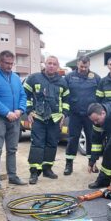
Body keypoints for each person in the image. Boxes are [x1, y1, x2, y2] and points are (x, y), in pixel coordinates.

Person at [0, 50, 28, 189]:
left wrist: (20, 110)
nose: (9, 66)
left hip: (15, 118)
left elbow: (23, 95)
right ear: (0, 61)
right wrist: (6, 112)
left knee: (12, 149)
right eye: (7, 63)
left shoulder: (15, 77)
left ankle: (12, 176)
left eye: (11, 63)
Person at [24, 56, 69, 184]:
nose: (51, 66)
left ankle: (47, 169)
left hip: (54, 120)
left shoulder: (62, 82)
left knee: (52, 144)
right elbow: (24, 95)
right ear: (45, 64)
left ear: (58, 66)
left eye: (54, 64)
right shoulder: (34, 78)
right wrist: (29, 111)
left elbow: (66, 101)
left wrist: (64, 115)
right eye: (49, 63)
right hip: (38, 118)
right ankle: (34, 172)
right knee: (37, 144)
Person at [63, 55, 100, 176]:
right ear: (77, 64)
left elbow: (100, 95)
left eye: (86, 66)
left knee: (91, 139)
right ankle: (69, 164)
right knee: (73, 138)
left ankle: (92, 163)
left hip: (91, 115)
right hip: (75, 114)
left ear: (89, 64)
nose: (83, 69)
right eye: (81, 66)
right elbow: (64, 95)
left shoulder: (95, 77)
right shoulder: (69, 77)